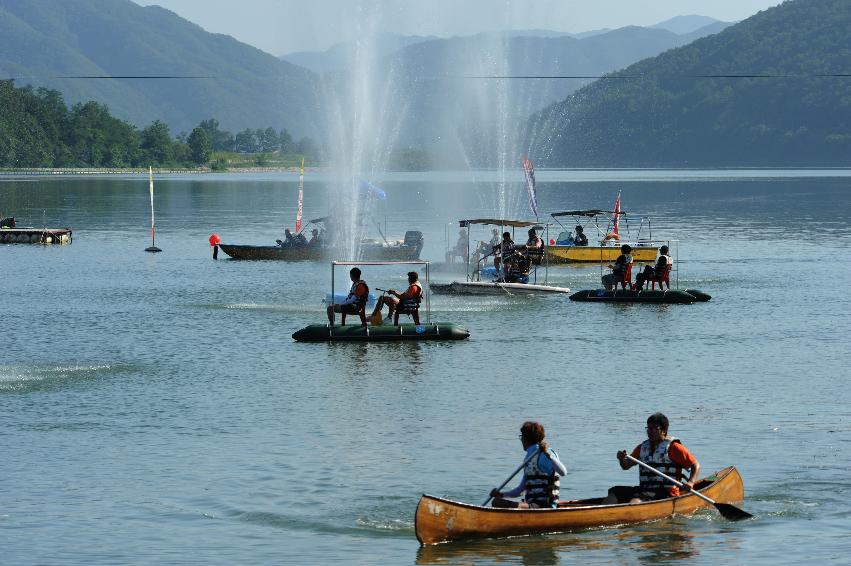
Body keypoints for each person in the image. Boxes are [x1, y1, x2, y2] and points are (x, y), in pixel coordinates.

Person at [602, 412, 701, 504]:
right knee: (615, 491)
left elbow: (695, 465)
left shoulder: (673, 447)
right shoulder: (642, 447)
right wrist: (621, 459)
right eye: (648, 428)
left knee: (637, 499)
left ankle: (629, 513)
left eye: (654, 428)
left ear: (664, 431)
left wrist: (691, 482)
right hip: (645, 489)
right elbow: (626, 466)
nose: (650, 431)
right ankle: (603, 512)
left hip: (667, 492)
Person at [490, 421, 567, 509]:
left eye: (521, 437)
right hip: (532, 505)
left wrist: (549, 455)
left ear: (525, 439)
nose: (521, 440)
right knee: (497, 501)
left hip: (545, 505)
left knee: (498, 503)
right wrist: (501, 494)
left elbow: (563, 472)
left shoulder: (544, 454)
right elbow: (520, 491)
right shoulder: (529, 458)